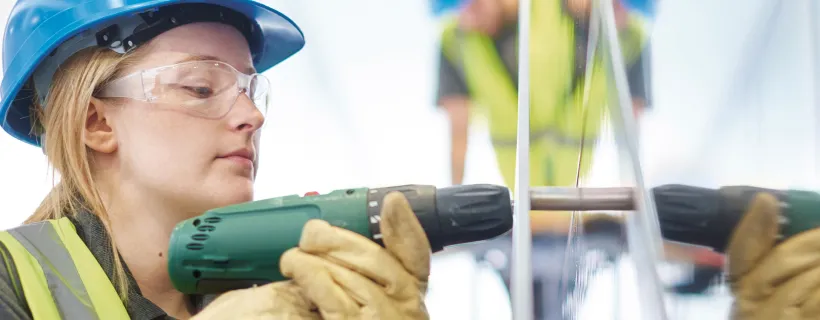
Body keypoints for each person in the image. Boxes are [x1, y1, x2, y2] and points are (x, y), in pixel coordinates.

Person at [0, 1, 431, 319]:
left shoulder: (286, 294)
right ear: (97, 122)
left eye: (250, 90)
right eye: (201, 88)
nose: (252, 115)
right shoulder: (12, 283)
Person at [433, 0, 651, 233]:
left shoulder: (630, 38)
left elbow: (629, 132)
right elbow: (458, 130)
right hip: (520, 192)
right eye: (461, 10)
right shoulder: (457, 39)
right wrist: (452, 211)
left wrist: (633, 207)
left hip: (573, 190)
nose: (470, 18)